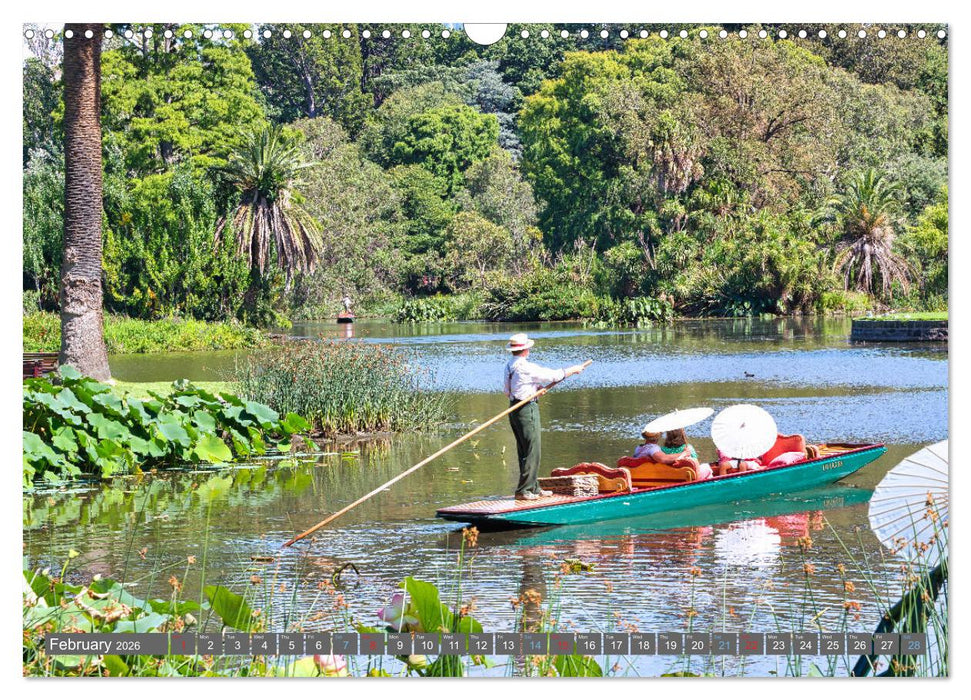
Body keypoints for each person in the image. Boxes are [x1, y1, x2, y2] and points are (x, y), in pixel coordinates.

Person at [504, 333, 586, 500]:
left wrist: (534, 390)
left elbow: (508, 390)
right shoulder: (525, 367)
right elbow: (554, 376)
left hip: (514, 408)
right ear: (525, 350)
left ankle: (533, 487)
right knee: (532, 450)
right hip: (526, 410)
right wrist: (573, 370)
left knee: (524, 449)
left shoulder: (509, 366)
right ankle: (524, 490)